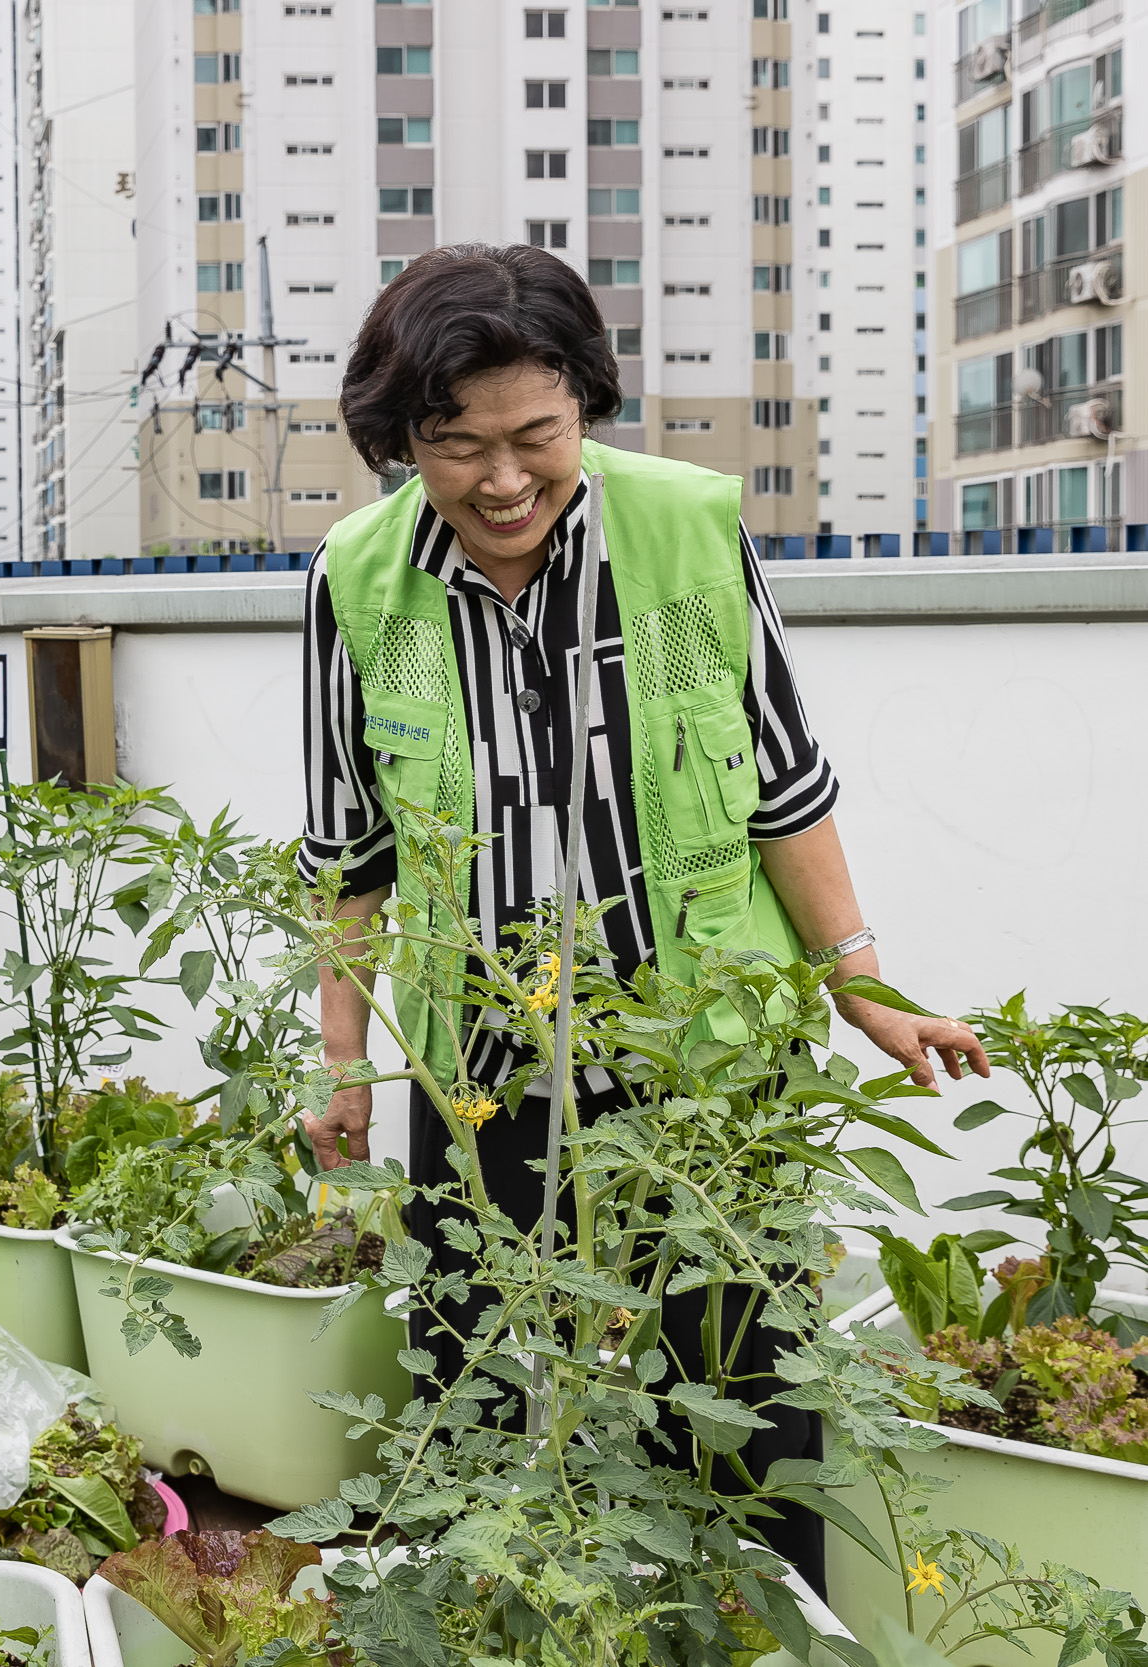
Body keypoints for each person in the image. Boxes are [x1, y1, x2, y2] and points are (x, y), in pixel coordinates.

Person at [295, 243, 989, 1593]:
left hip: (701, 1057)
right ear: (405, 443)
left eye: (534, 437)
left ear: (585, 411)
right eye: (455, 446)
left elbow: (780, 777)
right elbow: (351, 850)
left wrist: (863, 983)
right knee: (478, 1386)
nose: (501, 481)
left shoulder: (684, 532)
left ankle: (756, 1617)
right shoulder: (358, 581)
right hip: (479, 1066)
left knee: (742, 1391)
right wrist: (347, 1070)